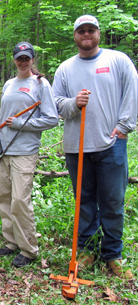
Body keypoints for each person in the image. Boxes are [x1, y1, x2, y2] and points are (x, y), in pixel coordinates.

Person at [52, 15, 137, 279]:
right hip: (76, 148)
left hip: (110, 145)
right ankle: (87, 250)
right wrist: (73, 103)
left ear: (98, 33)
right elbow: (55, 104)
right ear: (75, 36)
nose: (86, 35)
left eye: (91, 30)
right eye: (81, 31)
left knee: (112, 201)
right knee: (84, 202)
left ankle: (113, 254)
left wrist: (124, 126)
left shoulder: (118, 60)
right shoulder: (65, 68)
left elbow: (133, 92)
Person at [0, 42, 59, 267]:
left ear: (32, 59)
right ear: (14, 59)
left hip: (25, 151)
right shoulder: (9, 83)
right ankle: (11, 242)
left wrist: (22, 124)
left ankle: (28, 249)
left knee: (20, 200)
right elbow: (3, 115)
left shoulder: (40, 84)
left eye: (26, 57)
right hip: (5, 149)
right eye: (19, 57)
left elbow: (52, 119)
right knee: (5, 198)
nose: (23, 61)